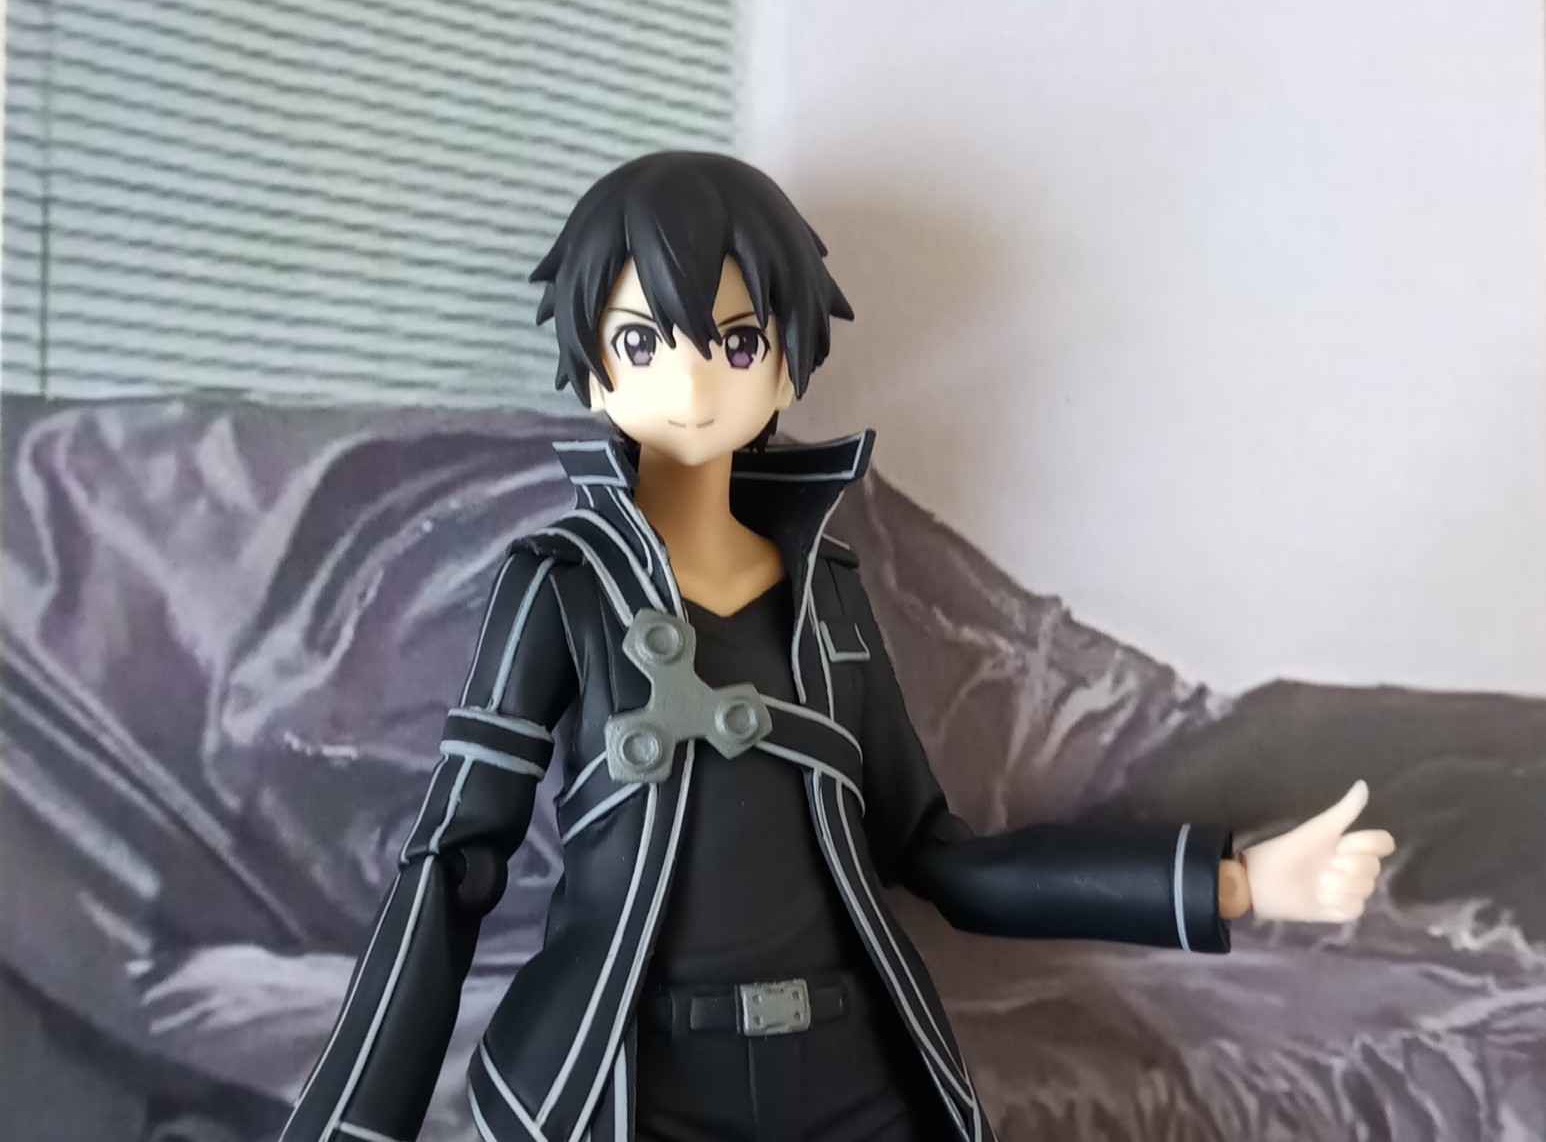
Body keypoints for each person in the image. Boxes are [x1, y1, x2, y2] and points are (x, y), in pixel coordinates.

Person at [279, 152, 1395, 1142]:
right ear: (595, 368)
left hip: (850, 1076)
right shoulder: (561, 584)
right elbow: (455, 862)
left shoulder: (830, 596)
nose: (692, 380)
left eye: (734, 340)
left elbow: (937, 854)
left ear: (783, 362)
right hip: (634, 1082)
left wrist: (1235, 881)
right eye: (642, 340)